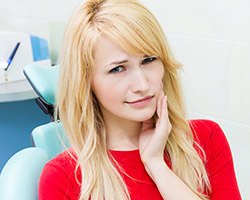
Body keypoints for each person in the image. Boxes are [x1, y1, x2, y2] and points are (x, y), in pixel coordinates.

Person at [39, 0, 242, 199]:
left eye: (149, 59)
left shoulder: (206, 140)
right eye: (117, 69)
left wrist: (157, 165)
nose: (142, 85)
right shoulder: (62, 178)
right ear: (86, 82)